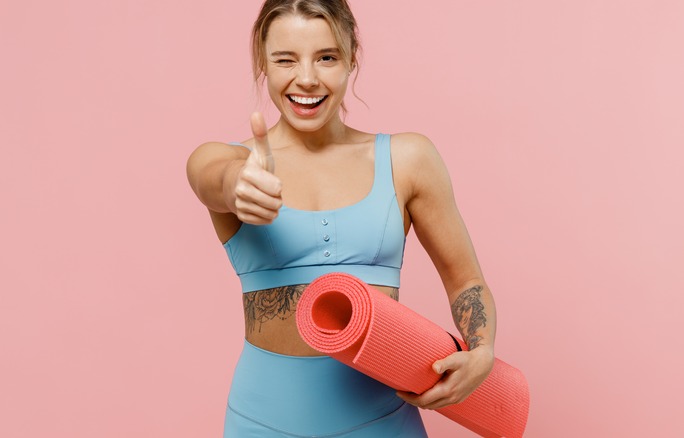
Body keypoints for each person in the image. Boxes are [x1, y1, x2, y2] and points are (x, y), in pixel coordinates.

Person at [186, 0, 496, 436]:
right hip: (262, 423)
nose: (307, 78)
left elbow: (466, 281)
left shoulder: (407, 159)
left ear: (352, 57)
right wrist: (236, 182)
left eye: (326, 57)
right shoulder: (232, 161)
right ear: (263, 62)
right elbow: (207, 176)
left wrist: (481, 353)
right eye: (286, 60)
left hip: (384, 421)